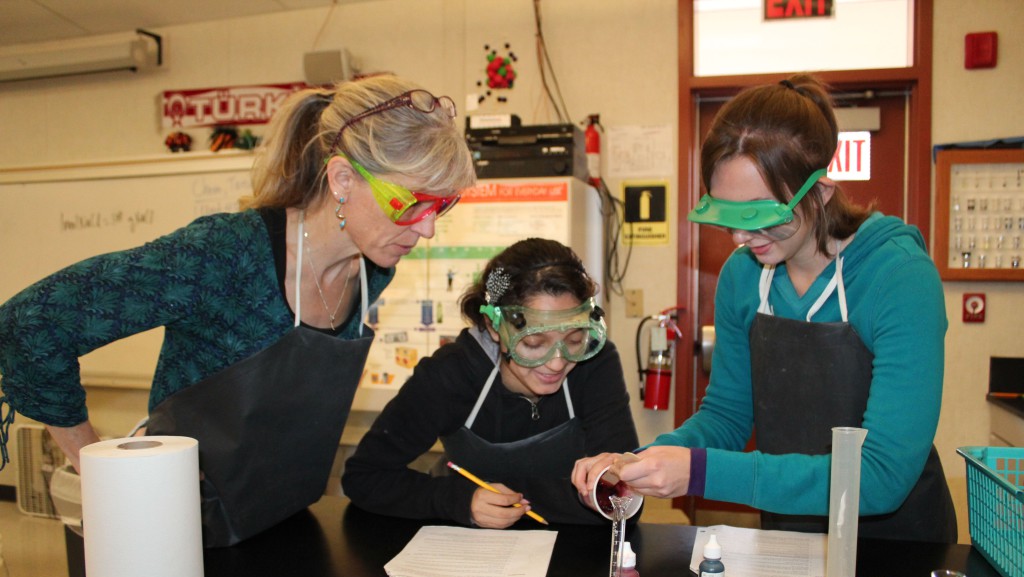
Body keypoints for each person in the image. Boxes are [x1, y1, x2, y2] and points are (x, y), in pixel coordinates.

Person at [0, 75, 477, 546]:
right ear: (343, 179)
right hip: (173, 533)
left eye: (442, 205)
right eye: (411, 203)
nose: (428, 229)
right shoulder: (224, 254)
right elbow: (31, 324)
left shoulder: (373, 268)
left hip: (283, 519)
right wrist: (96, 467)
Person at [572, 74, 957, 543]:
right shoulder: (744, 276)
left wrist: (699, 473)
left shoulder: (897, 278)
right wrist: (645, 459)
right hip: (789, 535)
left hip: (897, 545)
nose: (740, 239)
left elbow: (880, 476)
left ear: (821, 193)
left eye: (760, 216)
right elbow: (727, 417)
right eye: (728, 217)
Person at [342, 238, 639, 528]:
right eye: (534, 343)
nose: (557, 362)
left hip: (576, 559)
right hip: (474, 559)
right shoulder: (450, 374)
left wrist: (515, 498)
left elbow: (625, 500)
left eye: (574, 340)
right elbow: (365, 477)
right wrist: (460, 500)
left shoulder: (594, 364)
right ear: (494, 328)